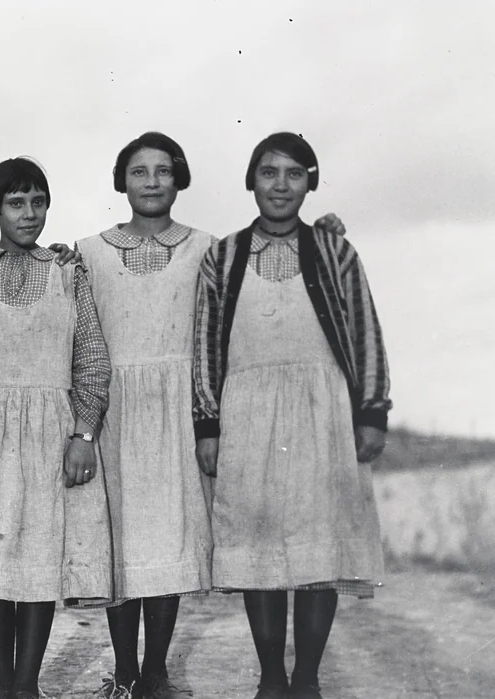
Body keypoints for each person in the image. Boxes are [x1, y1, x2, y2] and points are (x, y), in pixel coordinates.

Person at [76, 132, 349, 699]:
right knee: (120, 539)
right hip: (117, 408)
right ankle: (124, 673)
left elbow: (271, 250)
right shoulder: (87, 252)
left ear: (179, 179)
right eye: (138, 171)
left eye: (163, 171)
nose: (151, 182)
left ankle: (157, 669)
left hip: (184, 404)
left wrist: (322, 229)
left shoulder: (209, 247)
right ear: (120, 181)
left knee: (171, 538)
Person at [192, 132, 390, 699]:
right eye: (269, 172)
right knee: (257, 545)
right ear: (251, 181)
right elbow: (205, 343)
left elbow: (365, 331)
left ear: (310, 182)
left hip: (321, 411)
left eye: (294, 174)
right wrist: (208, 423)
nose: (281, 185)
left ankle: (307, 679)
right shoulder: (224, 256)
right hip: (247, 413)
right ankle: (271, 678)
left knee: (317, 544)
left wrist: (370, 411)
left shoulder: (335, 253)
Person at [0, 157, 113, 699]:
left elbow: (90, 359)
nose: (30, 213)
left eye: (39, 202)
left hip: (49, 431)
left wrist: (83, 433)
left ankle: (27, 684)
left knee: (40, 559)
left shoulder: (68, 272)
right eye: (17, 203)